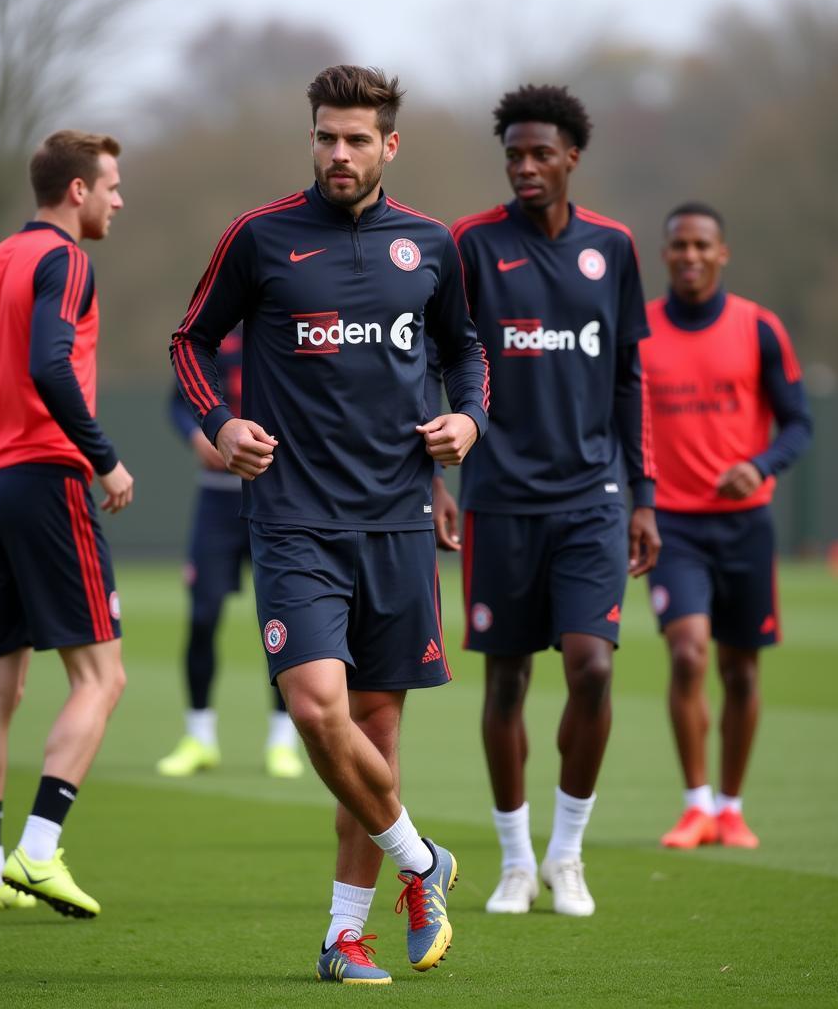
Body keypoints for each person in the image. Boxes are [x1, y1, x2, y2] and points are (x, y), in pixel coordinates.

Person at [170, 65, 488, 983]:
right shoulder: (261, 237)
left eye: (356, 139)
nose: (338, 154)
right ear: (310, 139)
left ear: (391, 144)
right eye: (324, 137)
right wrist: (220, 422)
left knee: (374, 743)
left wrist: (467, 420)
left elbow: (466, 350)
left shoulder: (429, 244)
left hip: (395, 522)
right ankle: (424, 862)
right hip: (294, 519)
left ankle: (343, 938)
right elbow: (190, 340)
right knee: (317, 709)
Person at [447, 84, 659, 918]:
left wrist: (643, 496)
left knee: (593, 668)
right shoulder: (471, 244)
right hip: (498, 497)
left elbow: (628, 379)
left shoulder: (614, 247)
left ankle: (567, 856)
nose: (526, 167)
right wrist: (435, 476)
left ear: (573, 157)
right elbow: (430, 364)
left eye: (541, 154)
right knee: (505, 688)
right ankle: (514, 862)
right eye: (514, 155)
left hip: (592, 498)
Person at [0, 130, 131, 918]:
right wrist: (104, 459)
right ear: (77, 191)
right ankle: (36, 854)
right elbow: (49, 362)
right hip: (46, 479)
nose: (118, 199)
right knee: (102, 678)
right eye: (111, 185)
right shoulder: (66, 260)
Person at [642, 202, 812, 850]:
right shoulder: (640, 329)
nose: (689, 256)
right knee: (687, 653)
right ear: (665, 254)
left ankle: (732, 808)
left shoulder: (760, 329)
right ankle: (696, 805)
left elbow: (798, 422)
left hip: (745, 525)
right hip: (672, 526)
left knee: (741, 671)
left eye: (701, 245)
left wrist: (761, 463)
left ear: (722, 253)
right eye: (678, 245)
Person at [157, 326, 303, 780]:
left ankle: (283, 741)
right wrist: (195, 436)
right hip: (218, 501)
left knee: (283, 623)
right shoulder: (214, 338)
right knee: (203, 616)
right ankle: (199, 735)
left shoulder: (292, 329)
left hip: (279, 499)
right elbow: (176, 402)